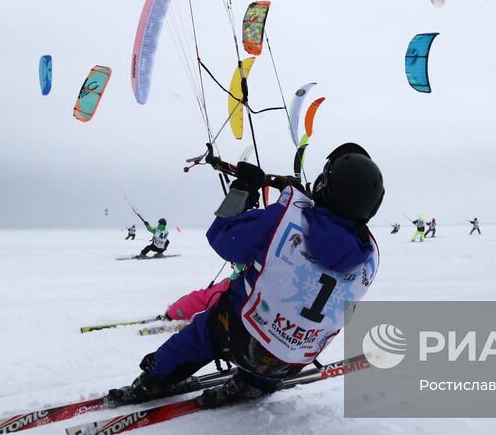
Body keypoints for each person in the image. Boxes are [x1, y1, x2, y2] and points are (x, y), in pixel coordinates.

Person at [107, 142, 383, 408]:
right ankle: (256, 383)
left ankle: (154, 379)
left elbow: (221, 236)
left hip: (239, 335)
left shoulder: (283, 220)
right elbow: (331, 235)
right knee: (274, 339)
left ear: (325, 187)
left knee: (200, 334)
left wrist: (243, 189)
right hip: (292, 361)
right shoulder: (369, 257)